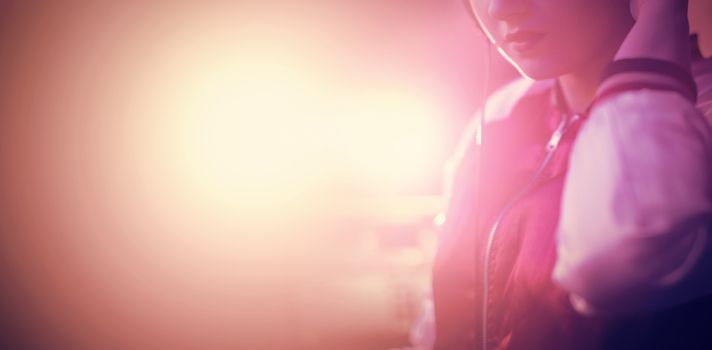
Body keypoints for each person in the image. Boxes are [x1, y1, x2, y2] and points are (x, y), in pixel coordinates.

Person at [426, 0, 712, 349]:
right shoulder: (497, 116)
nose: (500, 8)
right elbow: (437, 318)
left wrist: (658, 29)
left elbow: (618, 263)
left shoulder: (702, 118)